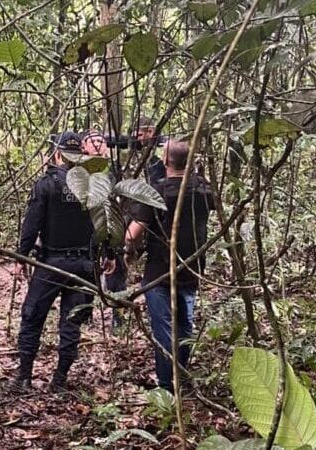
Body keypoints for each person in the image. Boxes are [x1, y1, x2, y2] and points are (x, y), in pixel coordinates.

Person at [124, 139, 213, 392]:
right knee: (184, 323)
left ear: (165, 161)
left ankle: (166, 384)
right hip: (192, 267)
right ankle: (181, 376)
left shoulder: (157, 192)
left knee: (163, 326)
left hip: (159, 272)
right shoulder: (204, 189)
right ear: (193, 161)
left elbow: (133, 233)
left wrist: (127, 252)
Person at [12, 132, 98, 392]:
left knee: (32, 316)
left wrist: (21, 256)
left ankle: (25, 377)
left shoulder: (47, 184)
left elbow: (32, 224)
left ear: (57, 154)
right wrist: (107, 255)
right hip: (82, 264)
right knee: (70, 323)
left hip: (52, 263)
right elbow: (102, 225)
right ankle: (59, 380)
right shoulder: (92, 184)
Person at [81, 130, 127, 331]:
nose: (98, 145)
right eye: (93, 141)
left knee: (118, 275)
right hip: (87, 230)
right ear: (84, 146)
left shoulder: (114, 171)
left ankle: (119, 318)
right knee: (86, 274)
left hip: (113, 228)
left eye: (101, 141)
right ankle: (86, 316)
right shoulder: (80, 171)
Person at [134, 116, 166, 184]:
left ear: (150, 131)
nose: (138, 139)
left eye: (140, 135)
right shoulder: (143, 145)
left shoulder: (164, 145)